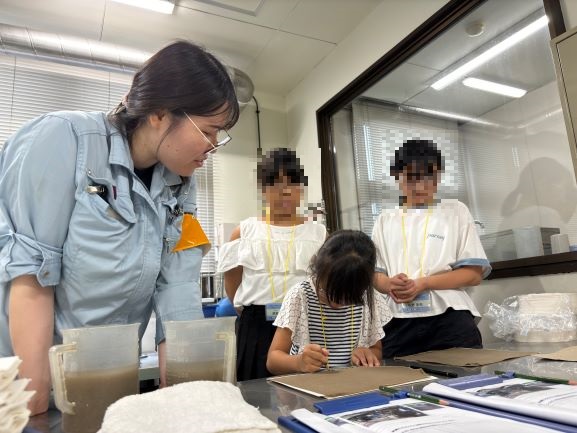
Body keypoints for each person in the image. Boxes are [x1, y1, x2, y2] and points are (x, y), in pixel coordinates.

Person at [0, 40, 239, 414]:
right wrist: (33, 404)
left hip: (107, 377)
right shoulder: (63, 140)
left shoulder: (181, 185)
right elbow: (31, 274)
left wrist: (188, 396)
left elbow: (177, 287)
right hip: (28, 376)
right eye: (209, 131)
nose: (213, 146)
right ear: (159, 112)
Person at [371, 139, 491, 359]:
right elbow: (375, 275)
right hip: (398, 321)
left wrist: (423, 283)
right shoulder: (384, 220)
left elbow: (473, 274)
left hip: (449, 318)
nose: (420, 186)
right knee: (399, 386)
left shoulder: (455, 211)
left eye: (429, 177)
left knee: (466, 382)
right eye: (410, 178)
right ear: (397, 177)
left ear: (438, 176)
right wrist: (388, 283)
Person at [217, 148, 326, 380]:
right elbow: (232, 282)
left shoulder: (319, 234)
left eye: (293, 183)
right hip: (256, 326)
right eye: (275, 183)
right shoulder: (244, 231)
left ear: (302, 188)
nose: (285, 191)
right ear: (263, 190)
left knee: (306, 394)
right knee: (256, 397)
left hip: (305, 326)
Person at [266, 230, 391, 374]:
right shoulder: (300, 296)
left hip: (353, 385)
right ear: (318, 269)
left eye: (349, 297)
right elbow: (273, 360)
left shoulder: (369, 298)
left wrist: (367, 354)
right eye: (329, 293)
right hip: (308, 387)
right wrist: (299, 362)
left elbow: (376, 350)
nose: (336, 303)